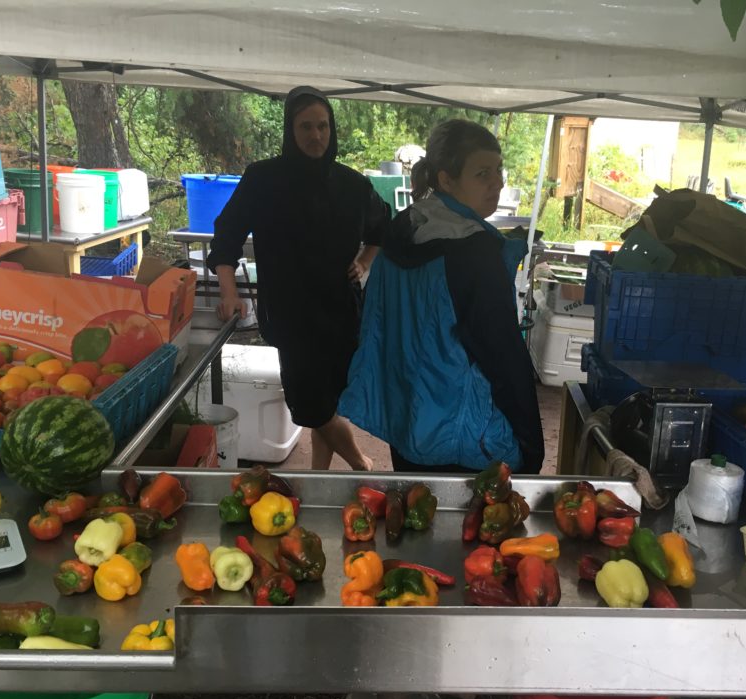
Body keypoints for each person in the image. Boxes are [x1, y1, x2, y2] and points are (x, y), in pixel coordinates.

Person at [339, 119, 544, 474]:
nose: (497, 182)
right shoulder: (474, 254)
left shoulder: (402, 231)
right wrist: (531, 445)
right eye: (482, 174)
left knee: (419, 515)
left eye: (498, 170)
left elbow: (376, 326)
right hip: (464, 441)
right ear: (446, 179)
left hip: (406, 425)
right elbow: (502, 357)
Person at [207, 86, 390, 470]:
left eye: (322, 126)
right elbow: (227, 236)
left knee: (326, 400)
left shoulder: (352, 184)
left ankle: (320, 476)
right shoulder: (263, 179)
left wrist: (365, 261)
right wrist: (228, 293)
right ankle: (361, 464)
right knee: (311, 405)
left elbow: (382, 227)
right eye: (306, 126)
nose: (316, 136)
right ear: (291, 130)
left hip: (340, 312)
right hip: (290, 315)